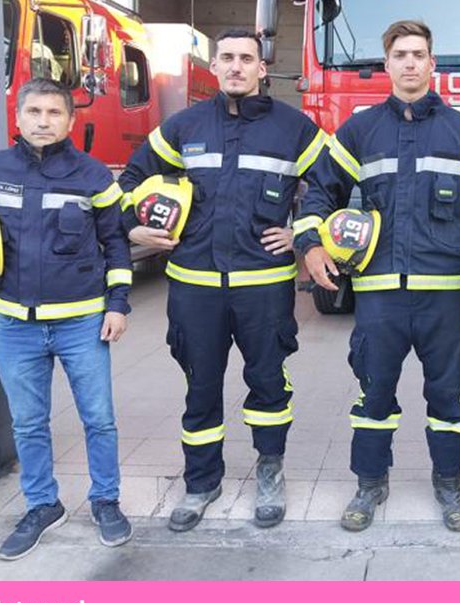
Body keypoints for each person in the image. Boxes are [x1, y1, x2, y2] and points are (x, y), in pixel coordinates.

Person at [0, 77, 133, 560]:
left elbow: (116, 242)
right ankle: (41, 505)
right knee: (30, 423)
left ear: (71, 121)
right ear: (18, 117)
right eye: (34, 112)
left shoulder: (95, 176)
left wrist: (118, 304)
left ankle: (106, 501)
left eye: (54, 113)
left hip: (82, 321)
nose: (43, 121)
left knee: (99, 419)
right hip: (15, 322)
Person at [118, 29, 325, 532]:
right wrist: (133, 221)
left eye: (246, 59)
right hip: (194, 285)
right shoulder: (182, 126)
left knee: (269, 383)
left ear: (262, 69)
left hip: (264, 285)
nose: (236, 66)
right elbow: (128, 181)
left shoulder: (295, 128)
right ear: (215, 65)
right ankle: (201, 482)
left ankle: (270, 473)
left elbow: (330, 183)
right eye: (227, 57)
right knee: (200, 388)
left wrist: (301, 231)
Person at [295, 20, 460, 532]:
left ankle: (448, 484)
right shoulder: (360, 130)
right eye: (400, 54)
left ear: (432, 64)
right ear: (387, 65)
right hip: (380, 296)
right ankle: (369, 483)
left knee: (448, 398)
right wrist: (311, 245)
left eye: (418, 54)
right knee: (374, 394)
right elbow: (319, 188)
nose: (409, 62)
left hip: (445, 298)